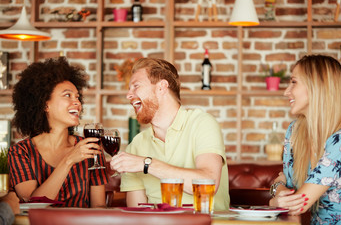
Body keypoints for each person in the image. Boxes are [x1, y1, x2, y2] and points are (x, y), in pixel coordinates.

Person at [110, 58, 229, 211]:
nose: (128, 95)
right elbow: (137, 213)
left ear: (162, 87)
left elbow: (209, 183)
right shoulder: (136, 146)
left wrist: (146, 164)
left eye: (136, 86)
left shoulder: (201, 123)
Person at [269, 55, 341, 224]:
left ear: (316, 87)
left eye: (294, 82)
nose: (286, 91)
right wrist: (278, 189)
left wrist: (274, 198)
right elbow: (286, 190)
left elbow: (296, 204)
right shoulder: (294, 132)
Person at [8, 57, 108, 208]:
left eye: (77, 97)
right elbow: (31, 206)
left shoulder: (90, 149)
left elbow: (99, 208)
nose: (77, 103)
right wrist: (69, 161)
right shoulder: (21, 152)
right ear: (45, 104)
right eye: (67, 95)